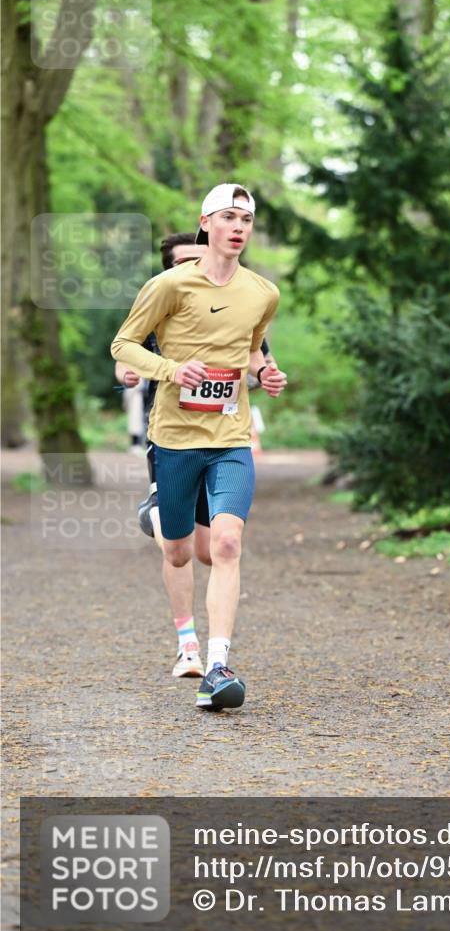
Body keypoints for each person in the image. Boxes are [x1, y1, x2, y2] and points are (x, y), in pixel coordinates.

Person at [111, 184, 287, 710]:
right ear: (205, 223)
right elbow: (123, 345)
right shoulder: (168, 285)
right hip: (175, 438)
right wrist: (170, 369)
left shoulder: (263, 292)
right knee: (180, 550)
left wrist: (267, 373)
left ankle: (217, 664)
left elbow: (252, 350)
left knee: (228, 545)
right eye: (229, 217)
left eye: (247, 220)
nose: (239, 228)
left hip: (231, 437)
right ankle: (184, 635)